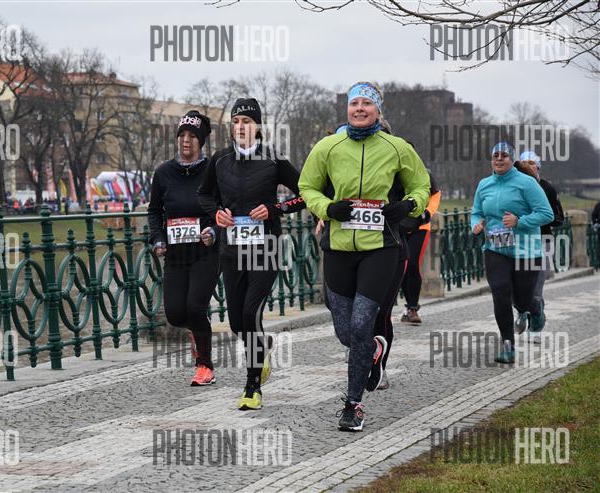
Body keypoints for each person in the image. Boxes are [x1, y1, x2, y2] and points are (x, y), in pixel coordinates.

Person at [299, 82, 430, 431]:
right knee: (346, 332)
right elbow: (306, 186)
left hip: (380, 249)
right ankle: (373, 347)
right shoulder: (327, 146)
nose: (359, 108)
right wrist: (327, 208)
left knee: (360, 324)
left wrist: (408, 205)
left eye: (367, 104)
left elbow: (421, 186)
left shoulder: (396, 147)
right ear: (347, 108)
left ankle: (353, 404)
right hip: (339, 248)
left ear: (377, 110)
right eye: (354, 102)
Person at [197, 97, 306, 411]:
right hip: (232, 250)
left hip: (265, 249)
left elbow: (306, 193)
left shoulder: (273, 159)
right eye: (236, 122)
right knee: (236, 322)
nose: (241, 127)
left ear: (258, 126)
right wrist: (216, 214)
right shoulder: (219, 160)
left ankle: (252, 387)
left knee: (250, 314)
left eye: (246, 121)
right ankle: (264, 344)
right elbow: (204, 195)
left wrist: (275, 209)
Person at [148, 110, 220, 386]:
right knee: (176, 313)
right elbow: (154, 210)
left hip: (206, 252)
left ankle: (205, 366)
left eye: (192, 136)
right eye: (182, 135)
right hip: (176, 254)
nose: (186, 140)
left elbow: (225, 208)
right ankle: (195, 334)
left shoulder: (212, 171)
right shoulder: (163, 173)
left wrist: (213, 231)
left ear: (201, 141)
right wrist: (158, 238)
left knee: (195, 306)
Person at [471, 142, 553, 364]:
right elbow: (476, 211)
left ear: (512, 159)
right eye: (495, 155)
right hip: (495, 249)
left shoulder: (527, 183)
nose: (499, 159)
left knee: (522, 300)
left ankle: (535, 310)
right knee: (500, 294)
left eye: (504, 155)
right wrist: (475, 224)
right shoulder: (484, 184)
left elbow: (546, 214)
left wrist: (520, 221)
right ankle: (508, 345)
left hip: (526, 251)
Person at [515, 150, 564, 332]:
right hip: (519, 242)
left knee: (536, 288)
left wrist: (536, 219)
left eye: (532, 163)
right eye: (524, 164)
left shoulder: (547, 188)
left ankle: (535, 326)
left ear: (538, 167)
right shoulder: (514, 188)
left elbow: (559, 218)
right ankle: (521, 312)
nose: (528, 167)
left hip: (543, 241)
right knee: (517, 286)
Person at [399, 170, 441, 324]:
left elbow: (435, 194)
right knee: (401, 266)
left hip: (420, 227)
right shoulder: (393, 171)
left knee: (412, 263)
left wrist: (427, 212)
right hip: (398, 226)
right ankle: (407, 307)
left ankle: (413, 308)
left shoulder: (424, 172)